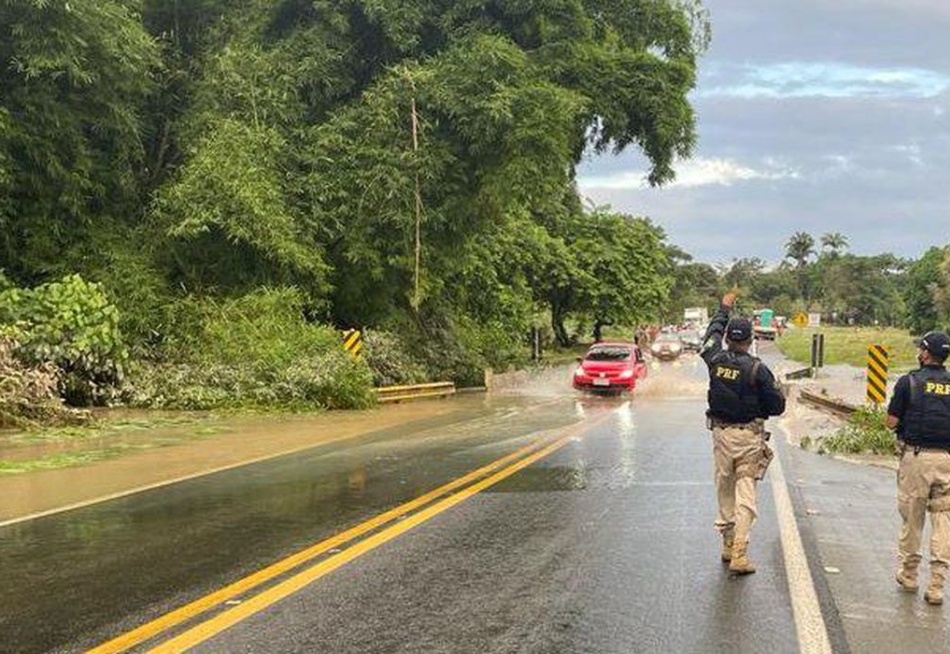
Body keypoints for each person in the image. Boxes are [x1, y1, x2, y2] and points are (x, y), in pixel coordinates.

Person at [700, 292, 786, 575]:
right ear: (751, 340)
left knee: (724, 487)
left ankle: (726, 544)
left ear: (727, 339)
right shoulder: (759, 370)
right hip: (749, 439)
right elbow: (777, 408)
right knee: (745, 492)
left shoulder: (714, 359)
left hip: (721, 436)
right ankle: (740, 551)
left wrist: (723, 308)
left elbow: (711, 332)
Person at [887, 330, 950, 605]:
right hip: (947, 460)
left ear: (925, 353)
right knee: (943, 521)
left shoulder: (908, 382)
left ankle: (910, 574)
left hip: (917, 458)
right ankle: (937, 584)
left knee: (913, 519)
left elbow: (891, 422)